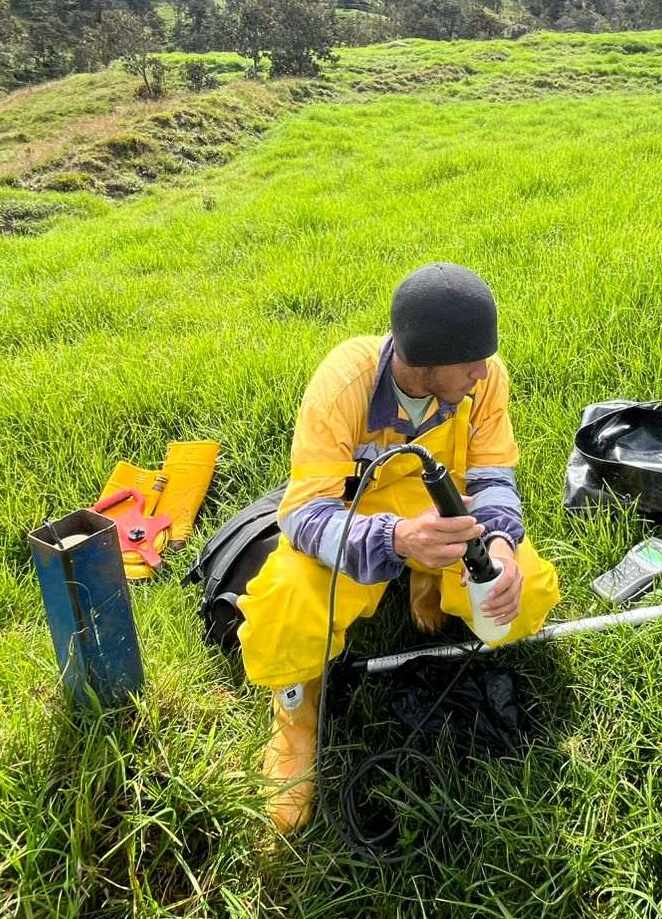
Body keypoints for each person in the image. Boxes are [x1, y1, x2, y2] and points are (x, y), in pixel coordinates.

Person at [236, 262, 562, 832]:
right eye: (469, 363)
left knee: (526, 593)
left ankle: (429, 584)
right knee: (286, 605)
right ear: (424, 362)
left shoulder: (485, 380)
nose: (482, 373)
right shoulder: (343, 383)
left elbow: (493, 478)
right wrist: (395, 540)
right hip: (361, 525)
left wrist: (503, 546)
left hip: (448, 522)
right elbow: (304, 515)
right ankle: (296, 717)